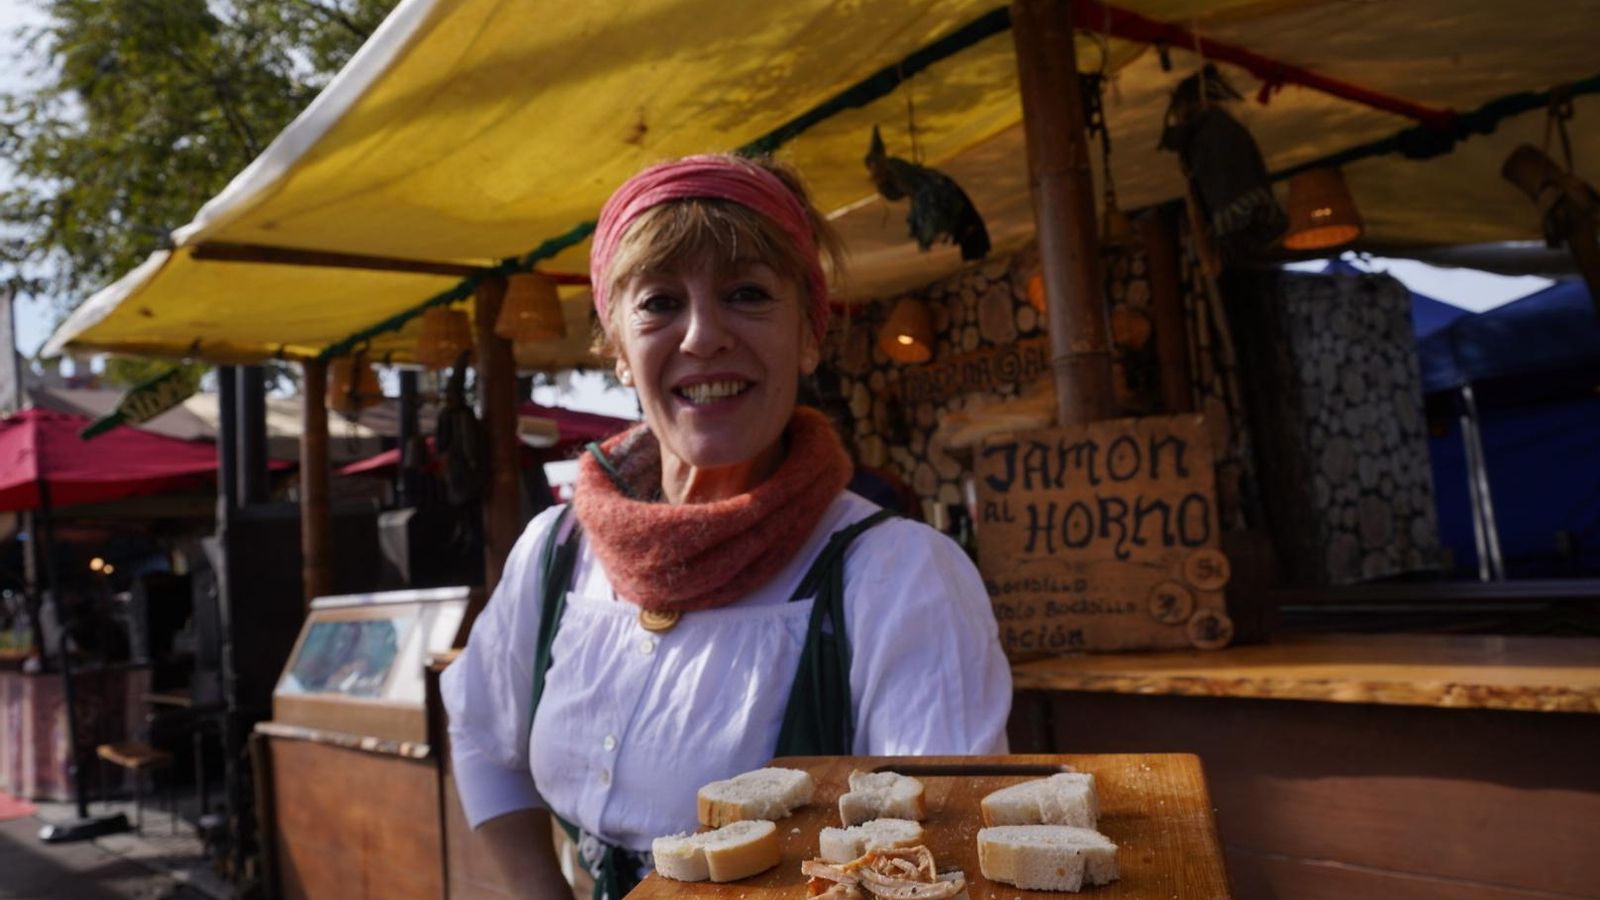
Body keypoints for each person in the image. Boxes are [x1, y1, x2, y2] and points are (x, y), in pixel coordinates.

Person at [441, 154, 1012, 900]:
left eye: (747, 294)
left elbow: (937, 857)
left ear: (810, 336)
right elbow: (484, 737)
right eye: (658, 303)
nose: (702, 336)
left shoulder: (900, 577)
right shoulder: (555, 551)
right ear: (616, 348)